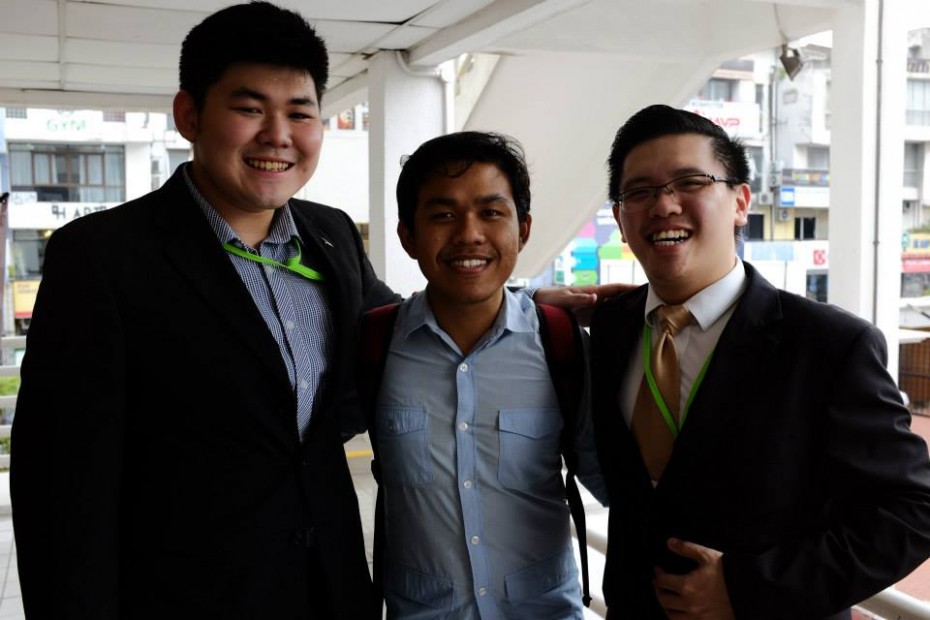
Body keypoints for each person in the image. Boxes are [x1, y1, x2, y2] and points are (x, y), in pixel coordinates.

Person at [8, 3, 618, 618]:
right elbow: (58, 486)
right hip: (188, 598)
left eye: (299, 112)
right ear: (190, 115)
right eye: (249, 109)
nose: (277, 135)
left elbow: (409, 317)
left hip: (330, 593)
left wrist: (520, 300)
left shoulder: (329, 238)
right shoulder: (104, 258)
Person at [589, 104, 930, 620]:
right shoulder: (610, 328)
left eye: (690, 181)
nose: (663, 205)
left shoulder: (830, 345)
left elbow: (913, 511)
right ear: (620, 218)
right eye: (639, 192)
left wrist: (750, 587)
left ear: (741, 202)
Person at [362, 131, 607, 619]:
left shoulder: (561, 346)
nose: (469, 234)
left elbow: (616, 480)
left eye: (491, 212)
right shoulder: (374, 346)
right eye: (443, 214)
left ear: (524, 229)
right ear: (407, 234)